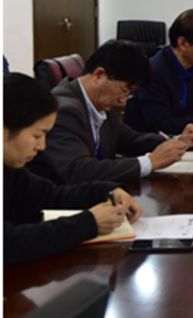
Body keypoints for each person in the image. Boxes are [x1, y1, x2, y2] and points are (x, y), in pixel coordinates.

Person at [4, 73, 142, 265]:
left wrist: (108, 191)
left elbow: (52, 196)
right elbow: (8, 244)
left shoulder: (10, 168)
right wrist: (88, 223)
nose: (42, 146)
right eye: (37, 135)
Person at [27, 40, 193, 184]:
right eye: (124, 90)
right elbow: (77, 170)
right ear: (99, 75)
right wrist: (149, 162)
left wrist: (177, 142)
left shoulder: (99, 101)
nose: (123, 101)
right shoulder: (64, 110)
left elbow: (129, 139)